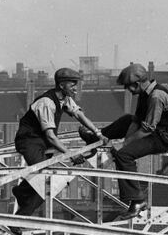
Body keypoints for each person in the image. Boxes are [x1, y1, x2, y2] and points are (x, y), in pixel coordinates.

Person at [78, 63, 168, 219]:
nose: (127, 90)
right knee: (126, 119)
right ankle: (97, 138)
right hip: (153, 131)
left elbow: (147, 128)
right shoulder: (145, 93)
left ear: (137, 84)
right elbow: (136, 121)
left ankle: (137, 201)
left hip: (162, 138)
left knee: (124, 156)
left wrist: (125, 144)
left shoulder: (156, 97)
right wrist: (125, 140)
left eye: (128, 87)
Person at [12, 68, 107, 219]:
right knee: (44, 183)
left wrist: (98, 132)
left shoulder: (65, 99)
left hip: (42, 142)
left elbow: (79, 115)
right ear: (62, 85)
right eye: (73, 84)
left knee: (45, 180)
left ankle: (21, 191)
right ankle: (19, 217)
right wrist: (70, 154)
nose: (76, 88)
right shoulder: (47, 103)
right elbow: (50, 136)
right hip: (29, 141)